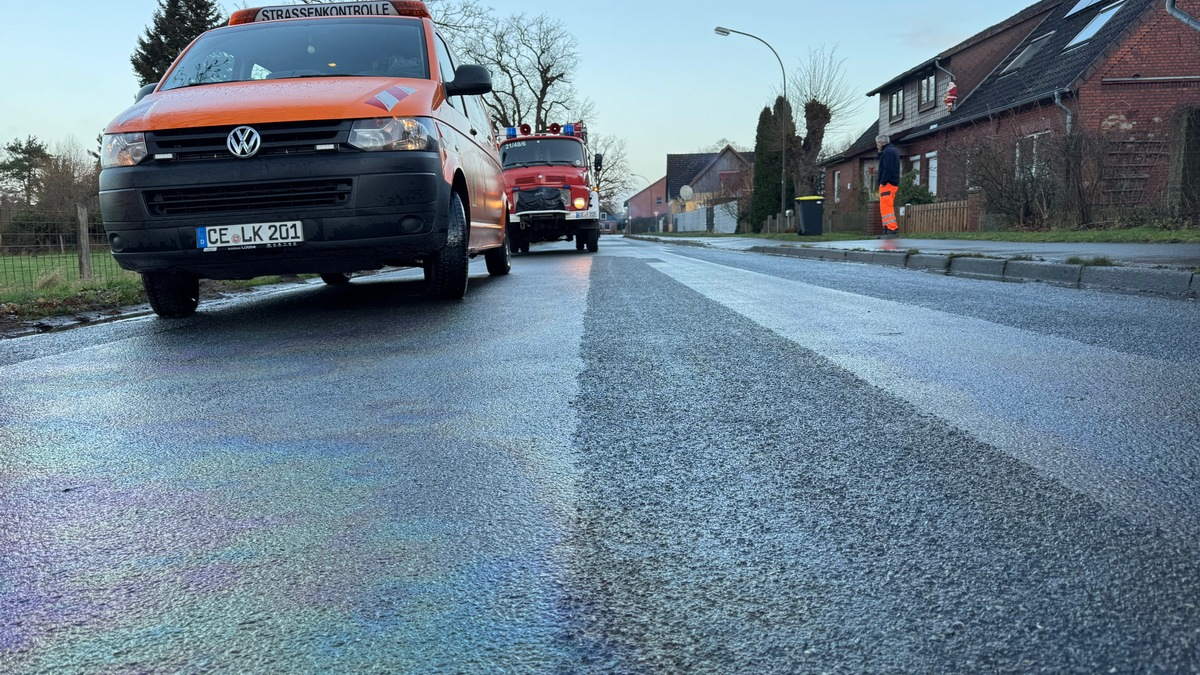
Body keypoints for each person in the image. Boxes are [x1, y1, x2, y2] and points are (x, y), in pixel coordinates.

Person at [876, 134, 901, 238]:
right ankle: (886, 228)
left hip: (888, 184)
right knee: (884, 207)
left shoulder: (888, 152)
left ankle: (892, 229)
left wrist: (883, 181)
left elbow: (887, 168)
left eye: (877, 144)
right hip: (890, 183)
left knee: (886, 207)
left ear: (881, 143)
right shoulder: (891, 151)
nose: (877, 146)